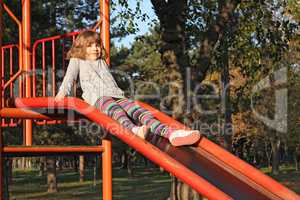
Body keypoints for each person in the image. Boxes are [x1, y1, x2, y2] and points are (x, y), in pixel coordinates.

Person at [55, 30, 201, 146]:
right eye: (90, 45)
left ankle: (171, 134)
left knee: (140, 111)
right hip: (98, 99)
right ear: (81, 47)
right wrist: (62, 93)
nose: (96, 48)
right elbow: (70, 78)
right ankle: (134, 130)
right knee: (117, 111)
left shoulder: (102, 62)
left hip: (117, 95)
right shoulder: (77, 60)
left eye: (98, 45)